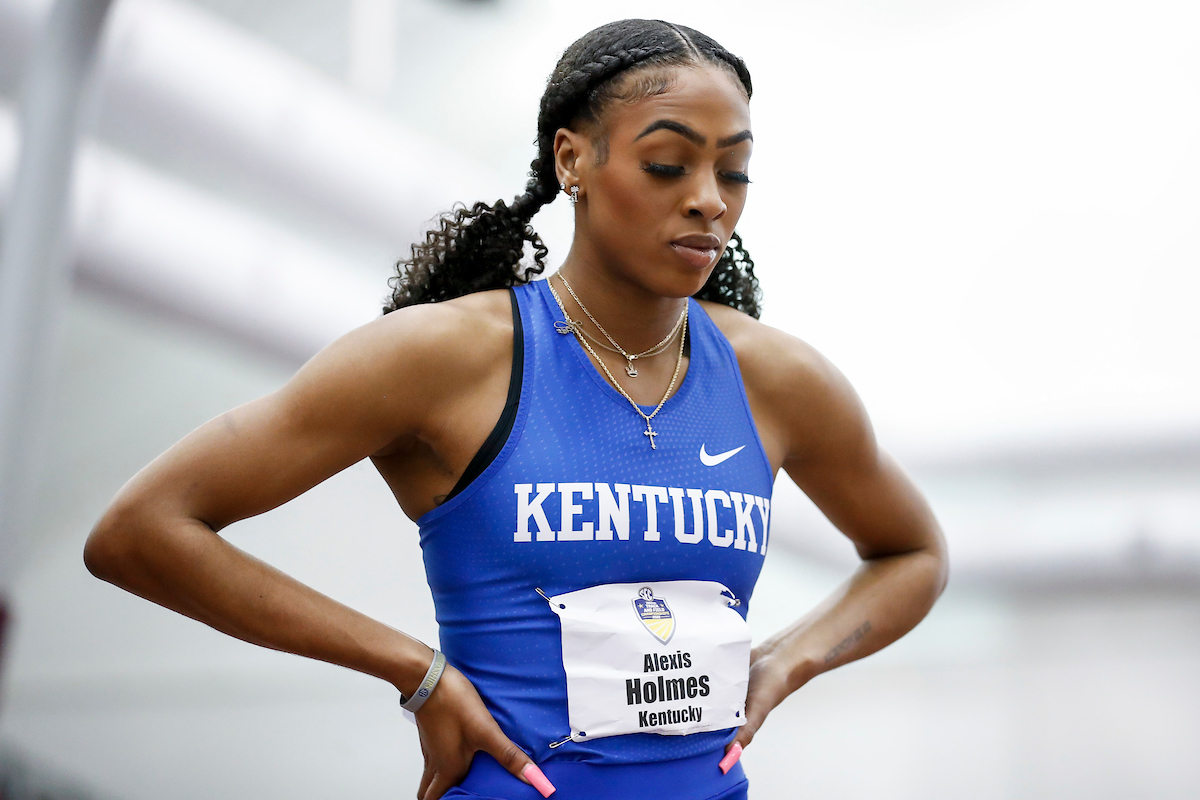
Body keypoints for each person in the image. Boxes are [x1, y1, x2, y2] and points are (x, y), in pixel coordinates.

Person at [84, 18, 947, 800]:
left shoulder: (776, 376)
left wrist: (786, 659)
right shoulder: (444, 356)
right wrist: (417, 672)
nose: (710, 200)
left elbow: (914, 553)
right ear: (573, 160)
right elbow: (142, 531)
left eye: (735, 171)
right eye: (666, 164)